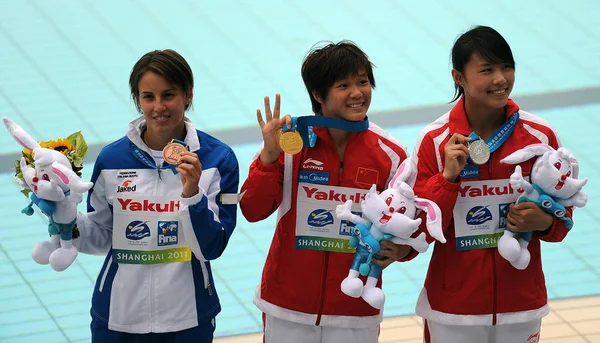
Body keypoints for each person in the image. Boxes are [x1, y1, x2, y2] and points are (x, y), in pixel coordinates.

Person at [239, 41, 415, 343]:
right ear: (318, 95)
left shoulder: (391, 154)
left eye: (362, 82)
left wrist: (403, 250)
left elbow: (411, 222)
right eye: (343, 85)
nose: (358, 93)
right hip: (288, 306)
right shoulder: (291, 144)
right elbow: (252, 210)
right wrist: (268, 156)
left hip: (354, 309)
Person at [412, 26, 575, 343]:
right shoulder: (435, 141)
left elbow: (564, 212)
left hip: (520, 305)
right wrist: (448, 179)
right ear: (458, 77)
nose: (501, 79)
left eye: (506, 67)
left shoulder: (539, 137)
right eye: (487, 70)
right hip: (454, 310)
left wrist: (545, 222)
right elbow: (417, 227)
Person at [73, 49, 239, 342]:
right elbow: (100, 236)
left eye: (168, 94)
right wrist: (63, 216)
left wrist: (192, 196)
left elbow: (212, 247)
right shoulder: (111, 160)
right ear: (138, 100)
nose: (158, 106)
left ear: (188, 94)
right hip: (117, 315)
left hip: (188, 317)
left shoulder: (218, 159)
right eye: (148, 97)